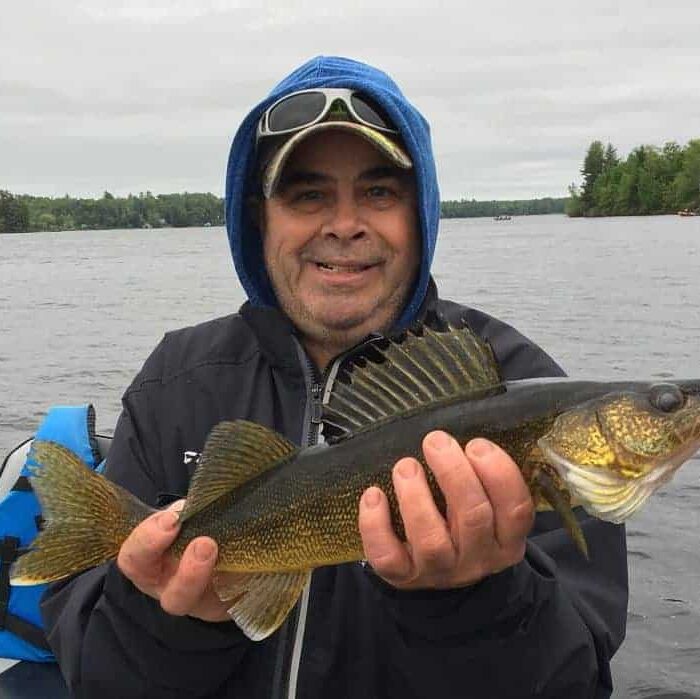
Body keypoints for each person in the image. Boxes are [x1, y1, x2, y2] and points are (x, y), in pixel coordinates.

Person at [41, 56, 628, 698]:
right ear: (259, 218)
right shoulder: (177, 380)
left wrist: (474, 604)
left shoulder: (518, 385)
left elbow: (576, 681)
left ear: (421, 211)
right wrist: (170, 621)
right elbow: (98, 676)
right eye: (308, 194)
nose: (344, 224)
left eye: (379, 192)